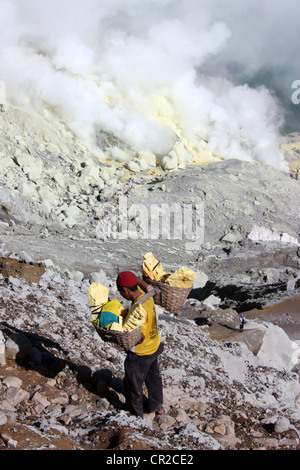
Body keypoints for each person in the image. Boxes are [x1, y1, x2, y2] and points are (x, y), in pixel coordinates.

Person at [116, 270, 165, 418]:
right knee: (153, 377)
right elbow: (137, 279)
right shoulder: (147, 295)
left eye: (121, 292)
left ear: (125, 290)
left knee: (133, 385)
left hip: (141, 353)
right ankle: (157, 405)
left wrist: (120, 336)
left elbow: (139, 337)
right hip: (155, 345)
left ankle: (136, 415)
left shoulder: (137, 309)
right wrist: (147, 286)